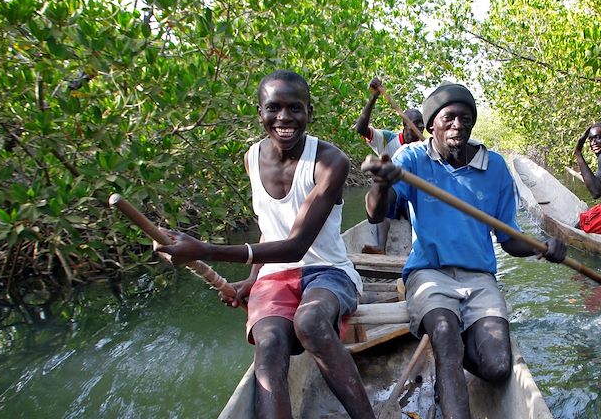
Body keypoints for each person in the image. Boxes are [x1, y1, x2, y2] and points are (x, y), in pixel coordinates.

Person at [154, 70, 375, 419]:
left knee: (311, 322)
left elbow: (296, 246)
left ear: (309, 113)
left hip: (329, 272)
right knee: (269, 344)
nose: (284, 118)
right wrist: (254, 280)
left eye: (295, 108)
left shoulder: (330, 161)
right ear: (260, 113)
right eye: (274, 108)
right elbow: (267, 231)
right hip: (274, 276)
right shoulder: (251, 158)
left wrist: (205, 250)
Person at [362, 83, 567, 419]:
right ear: (431, 126)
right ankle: (448, 353)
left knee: (498, 365)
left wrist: (542, 248)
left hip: (479, 277)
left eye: (465, 119)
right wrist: (382, 182)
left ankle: (451, 353)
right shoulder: (411, 158)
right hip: (430, 272)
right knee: (444, 336)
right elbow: (375, 213)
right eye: (449, 118)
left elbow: (509, 239)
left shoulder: (495, 168)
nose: (458, 125)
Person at [353, 77, 424, 255]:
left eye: (421, 127)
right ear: (404, 126)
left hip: (411, 197)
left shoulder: (423, 147)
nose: (418, 130)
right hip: (391, 195)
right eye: (414, 125)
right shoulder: (387, 138)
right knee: (383, 199)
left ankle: (421, 250)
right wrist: (374, 97)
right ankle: (381, 249)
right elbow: (361, 129)